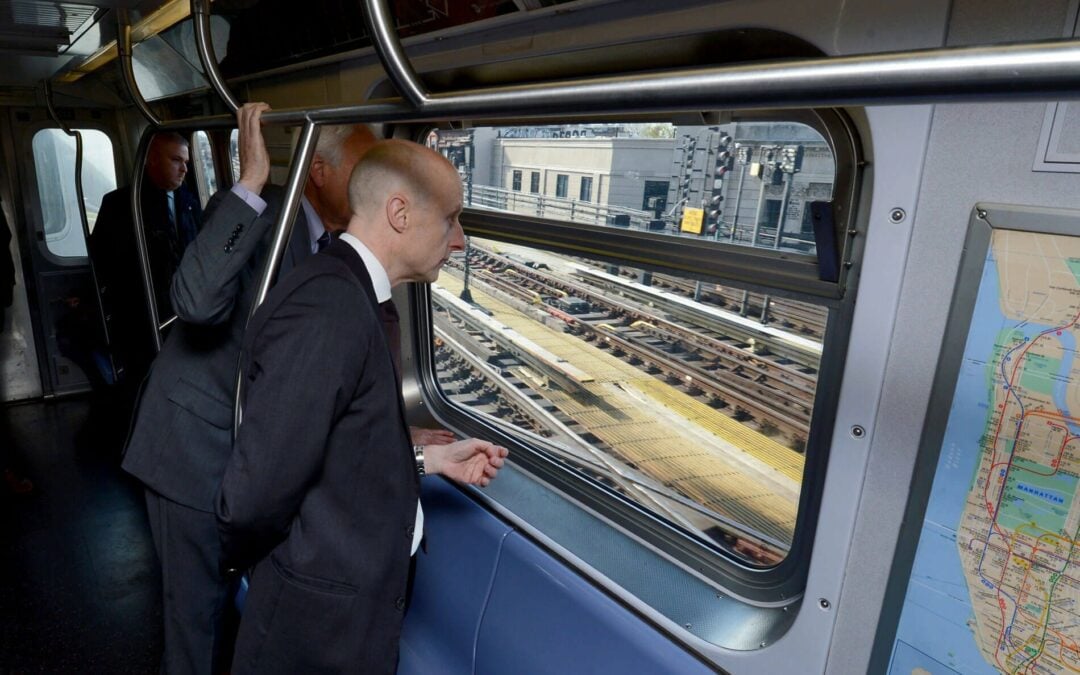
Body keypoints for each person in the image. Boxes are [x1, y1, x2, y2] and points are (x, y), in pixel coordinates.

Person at [121, 104, 447, 674]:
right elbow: (196, 302)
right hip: (195, 450)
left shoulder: (347, 260)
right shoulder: (259, 213)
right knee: (196, 626)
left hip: (260, 461)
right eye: (363, 163)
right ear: (317, 171)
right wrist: (247, 182)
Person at [217, 139, 508, 674]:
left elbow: (339, 449)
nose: (460, 241)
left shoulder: (358, 297)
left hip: (340, 618)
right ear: (400, 213)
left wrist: (428, 461)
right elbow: (253, 498)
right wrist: (286, 576)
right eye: (451, 220)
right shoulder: (328, 313)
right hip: (314, 628)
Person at [89, 131, 202, 387]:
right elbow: (104, 260)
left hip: (185, 307)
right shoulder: (120, 204)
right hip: (139, 314)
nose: (184, 169)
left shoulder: (191, 202)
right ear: (152, 159)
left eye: (186, 163)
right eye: (176, 160)